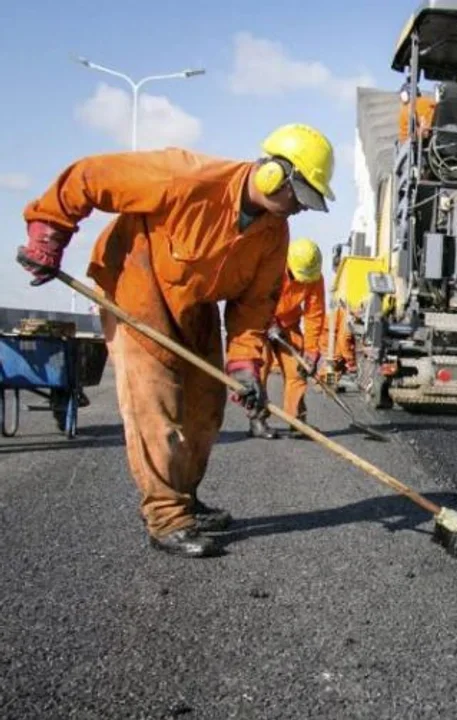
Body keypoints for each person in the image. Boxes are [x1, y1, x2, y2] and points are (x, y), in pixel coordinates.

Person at [19, 123, 337, 558]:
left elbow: (254, 307)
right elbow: (90, 177)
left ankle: (184, 495)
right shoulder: (185, 177)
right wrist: (49, 233)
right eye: (299, 197)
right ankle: (166, 516)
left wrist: (245, 366)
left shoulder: (273, 233)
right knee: (157, 405)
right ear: (273, 175)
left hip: (195, 303)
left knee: (206, 409)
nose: (300, 209)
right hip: (138, 287)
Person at [252, 238, 327, 440]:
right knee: (261, 368)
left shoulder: (314, 277)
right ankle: (257, 419)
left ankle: (297, 421)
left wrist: (311, 351)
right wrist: (268, 321)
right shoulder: (271, 264)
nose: (302, 282)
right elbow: (255, 298)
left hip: (289, 324)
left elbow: (314, 314)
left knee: (297, 370)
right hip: (261, 322)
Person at [397, 80, 436, 144]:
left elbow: (405, 135)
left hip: (414, 143)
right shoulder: (430, 103)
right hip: (433, 139)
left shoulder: (406, 108)